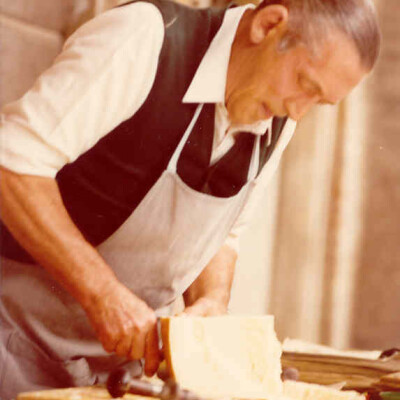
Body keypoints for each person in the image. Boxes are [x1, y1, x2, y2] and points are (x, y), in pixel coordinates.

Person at [0, 0, 380, 398]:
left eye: (319, 102)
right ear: (268, 26)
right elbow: (14, 163)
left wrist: (212, 301)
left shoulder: (278, 118)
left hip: (115, 378)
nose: (299, 112)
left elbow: (223, 234)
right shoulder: (145, 38)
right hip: (14, 347)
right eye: (305, 83)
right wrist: (104, 295)